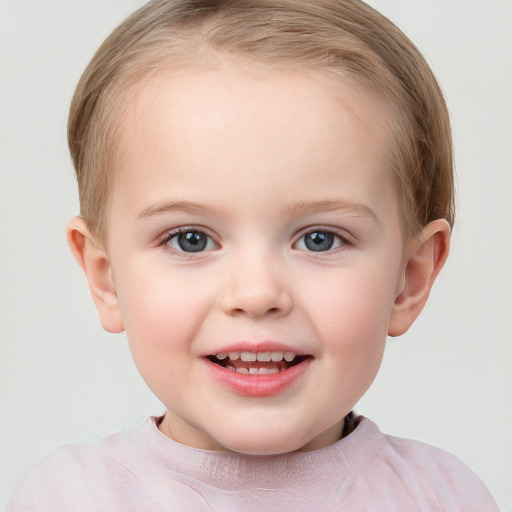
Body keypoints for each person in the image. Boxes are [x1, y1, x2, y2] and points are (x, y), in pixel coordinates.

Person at [8, 0, 500, 510]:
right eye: (190, 239)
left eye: (320, 239)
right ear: (105, 278)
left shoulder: (444, 497)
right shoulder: (68, 498)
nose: (257, 293)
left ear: (409, 278)